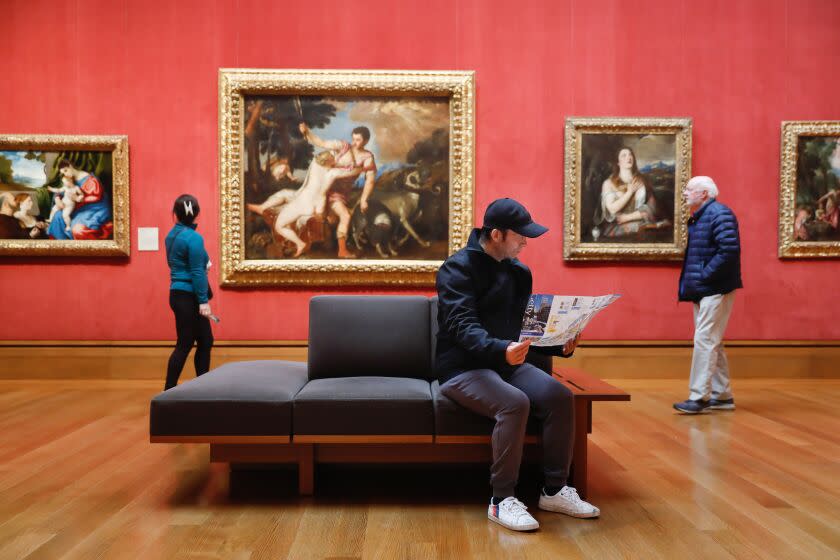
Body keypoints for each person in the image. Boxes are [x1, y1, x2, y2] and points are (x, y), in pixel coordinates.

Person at [435, 198, 600, 533]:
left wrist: (560, 344)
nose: (526, 241)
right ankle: (501, 499)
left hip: (505, 363)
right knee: (514, 402)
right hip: (463, 369)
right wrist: (500, 350)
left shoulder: (520, 272)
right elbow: (461, 326)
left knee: (559, 396)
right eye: (520, 235)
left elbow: (528, 330)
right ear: (496, 234)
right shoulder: (456, 268)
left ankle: (554, 490)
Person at [674, 176, 742, 414]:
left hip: (716, 288)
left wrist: (704, 275)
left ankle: (699, 396)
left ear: (704, 194)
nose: (685, 193)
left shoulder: (719, 214)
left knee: (705, 339)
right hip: (705, 289)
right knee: (713, 339)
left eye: (689, 189)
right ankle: (722, 395)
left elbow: (729, 250)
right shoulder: (704, 215)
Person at [299, 122, 377, 258]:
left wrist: (364, 199)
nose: (354, 142)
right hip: (325, 189)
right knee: (345, 215)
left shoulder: (367, 157)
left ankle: (331, 241)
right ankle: (342, 251)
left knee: (334, 219)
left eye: (358, 140)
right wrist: (307, 132)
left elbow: (370, 180)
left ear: (366, 141)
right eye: (353, 138)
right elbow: (321, 142)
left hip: (340, 194)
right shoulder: (343, 146)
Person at [164, 194, 214, 391]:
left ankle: (201, 387)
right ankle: (168, 390)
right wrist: (203, 301)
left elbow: (179, 262)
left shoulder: (172, 235)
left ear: (175, 213)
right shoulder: (193, 237)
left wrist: (203, 260)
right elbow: (196, 272)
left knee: (205, 340)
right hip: (190, 296)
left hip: (178, 295)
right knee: (185, 344)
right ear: (197, 214)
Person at [593, 147, 656, 238]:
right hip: (618, 229)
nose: (628, 157)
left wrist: (627, 217)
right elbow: (612, 209)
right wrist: (629, 192)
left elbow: (652, 209)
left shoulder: (643, 181)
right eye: (624, 155)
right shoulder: (608, 183)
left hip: (642, 226)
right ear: (618, 162)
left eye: (630, 154)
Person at [46, 159, 113, 240]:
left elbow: (97, 197)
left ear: (70, 166)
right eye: (63, 173)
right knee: (57, 216)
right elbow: (61, 190)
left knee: (77, 229)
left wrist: (79, 199)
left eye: (66, 171)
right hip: (75, 207)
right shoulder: (69, 179)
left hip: (94, 209)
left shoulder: (89, 179)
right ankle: (60, 247)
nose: (65, 174)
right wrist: (57, 199)